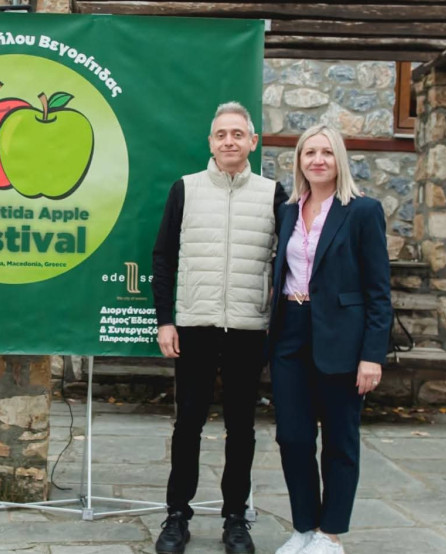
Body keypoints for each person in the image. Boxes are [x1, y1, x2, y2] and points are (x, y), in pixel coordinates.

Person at [152, 101, 288, 554]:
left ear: (252, 141)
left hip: (250, 329)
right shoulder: (185, 189)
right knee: (187, 423)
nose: (229, 141)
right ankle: (176, 515)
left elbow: (289, 262)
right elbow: (163, 257)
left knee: (242, 428)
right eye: (220, 134)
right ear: (210, 142)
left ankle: (235, 519)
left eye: (237, 134)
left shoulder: (273, 195)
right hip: (194, 325)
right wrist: (165, 320)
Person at [268, 124, 391, 554]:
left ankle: (330, 533)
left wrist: (372, 355)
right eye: (309, 153)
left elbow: (378, 291)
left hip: (342, 339)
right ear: (299, 160)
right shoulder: (285, 211)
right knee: (293, 436)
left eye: (326, 152)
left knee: (340, 439)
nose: (317, 160)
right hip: (290, 334)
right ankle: (303, 526)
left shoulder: (363, 211)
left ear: (339, 159)